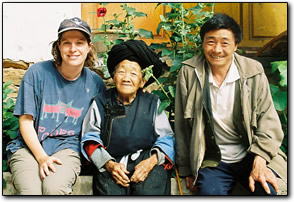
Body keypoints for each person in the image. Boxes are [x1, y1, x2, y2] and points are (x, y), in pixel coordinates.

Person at [175, 13, 287, 195]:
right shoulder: (189, 72)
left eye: (225, 43)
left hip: (251, 154)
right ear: (203, 43)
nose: (217, 49)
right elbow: (181, 125)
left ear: (236, 45)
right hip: (213, 161)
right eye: (210, 42)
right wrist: (187, 168)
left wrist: (260, 160)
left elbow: (268, 119)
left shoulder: (253, 71)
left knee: (268, 191)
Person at [6, 17, 106, 195]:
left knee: (55, 189)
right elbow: (26, 121)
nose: (73, 49)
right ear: (58, 46)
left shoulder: (95, 84)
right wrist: (41, 157)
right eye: (66, 43)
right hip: (28, 147)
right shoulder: (37, 73)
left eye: (79, 43)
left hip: (67, 148)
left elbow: (96, 128)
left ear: (89, 46)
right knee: (30, 191)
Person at [81, 39, 175, 195]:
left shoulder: (152, 102)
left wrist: (151, 162)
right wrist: (109, 164)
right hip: (110, 160)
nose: (126, 78)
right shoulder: (100, 102)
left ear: (142, 81)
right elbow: (90, 139)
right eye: (122, 71)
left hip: (147, 160)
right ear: (113, 76)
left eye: (133, 73)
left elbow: (166, 139)